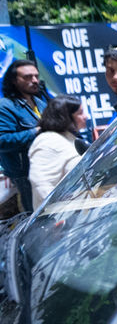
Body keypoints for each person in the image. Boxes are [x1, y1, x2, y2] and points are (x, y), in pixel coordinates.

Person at [0, 59, 49, 212]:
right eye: (27, 77)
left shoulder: (40, 103)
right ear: (14, 80)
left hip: (47, 171)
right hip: (24, 176)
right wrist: (35, 132)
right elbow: (2, 142)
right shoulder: (5, 106)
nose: (34, 81)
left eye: (36, 76)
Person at [28, 95, 86, 207]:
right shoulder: (46, 142)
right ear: (66, 117)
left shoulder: (69, 138)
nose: (86, 116)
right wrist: (58, 213)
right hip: (58, 219)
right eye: (80, 113)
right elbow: (42, 185)